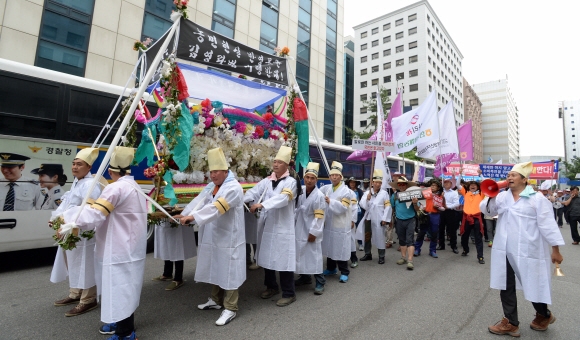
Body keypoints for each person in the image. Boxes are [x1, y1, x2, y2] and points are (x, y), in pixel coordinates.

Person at [61, 147, 147, 340]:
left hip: (117, 248)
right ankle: (120, 322)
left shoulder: (116, 188)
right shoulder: (134, 186)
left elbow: (95, 214)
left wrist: (66, 218)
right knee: (122, 288)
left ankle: (126, 334)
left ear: (110, 170)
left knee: (119, 289)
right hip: (128, 247)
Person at [482, 162, 564, 336]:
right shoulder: (503, 196)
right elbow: (488, 210)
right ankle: (511, 322)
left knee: (532, 283)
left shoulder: (537, 198)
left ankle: (544, 315)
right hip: (504, 249)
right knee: (506, 284)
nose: (509, 177)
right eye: (508, 175)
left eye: (513, 175)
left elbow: (548, 225)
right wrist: (491, 194)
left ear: (524, 179)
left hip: (529, 251)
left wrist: (555, 250)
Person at [178, 147, 245, 326]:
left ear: (225, 171)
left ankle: (230, 307)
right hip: (215, 235)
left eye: (216, 171)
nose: (213, 174)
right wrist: (184, 213)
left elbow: (216, 208)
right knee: (216, 265)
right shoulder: (213, 186)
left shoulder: (233, 188)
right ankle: (216, 300)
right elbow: (199, 202)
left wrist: (192, 217)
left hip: (230, 237)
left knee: (229, 270)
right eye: (211, 171)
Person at [243, 146, 298, 307]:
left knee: (283, 259)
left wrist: (262, 205)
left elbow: (282, 199)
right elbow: (253, 192)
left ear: (286, 165)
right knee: (266, 257)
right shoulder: (267, 181)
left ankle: (289, 293)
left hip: (282, 228)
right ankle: (271, 286)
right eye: (274, 161)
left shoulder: (291, 182)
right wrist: (244, 200)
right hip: (267, 227)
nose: (275, 164)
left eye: (279, 162)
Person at [50, 148, 101, 317]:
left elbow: (89, 209)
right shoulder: (77, 182)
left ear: (88, 167)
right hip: (70, 230)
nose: (74, 167)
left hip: (83, 231)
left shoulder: (90, 184)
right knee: (73, 261)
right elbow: (67, 204)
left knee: (85, 263)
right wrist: (57, 217)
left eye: (79, 164)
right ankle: (75, 293)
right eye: (73, 163)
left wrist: (67, 219)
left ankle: (89, 299)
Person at [321, 161, 357, 283]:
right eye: (332, 175)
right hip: (329, 223)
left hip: (341, 224)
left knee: (340, 248)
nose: (334, 177)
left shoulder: (346, 191)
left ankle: (344, 271)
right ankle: (331, 268)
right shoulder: (326, 188)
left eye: (337, 175)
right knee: (330, 246)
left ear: (341, 177)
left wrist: (330, 201)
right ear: (329, 177)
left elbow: (343, 208)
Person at [294, 162, 327, 294]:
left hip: (312, 229)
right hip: (300, 227)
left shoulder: (319, 196)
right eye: (307, 177)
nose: (309, 180)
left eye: (312, 178)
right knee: (301, 253)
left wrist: (314, 232)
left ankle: (320, 281)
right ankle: (305, 277)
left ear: (316, 180)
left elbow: (319, 216)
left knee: (314, 256)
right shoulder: (300, 191)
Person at [151, 217, 197, 290]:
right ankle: (167, 273)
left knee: (177, 247)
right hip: (165, 220)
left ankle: (178, 279)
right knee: (166, 245)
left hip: (177, 220)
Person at [357, 169, 391, 264]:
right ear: (372, 182)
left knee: (380, 236)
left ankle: (381, 256)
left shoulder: (384, 193)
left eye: (379, 183)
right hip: (369, 217)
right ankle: (368, 253)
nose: (378, 184)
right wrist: (367, 200)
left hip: (379, 218)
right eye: (376, 182)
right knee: (367, 236)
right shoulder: (367, 193)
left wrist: (385, 218)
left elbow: (388, 206)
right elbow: (362, 205)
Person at [389, 177, 419, 270]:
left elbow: (417, 209)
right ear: (398, 186)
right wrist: (391, 220)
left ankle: (410, 260)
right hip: (399, 220)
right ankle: (403, 257)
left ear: (406, 185)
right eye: (399, 184)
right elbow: (392, 208)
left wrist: (414, 203)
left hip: (410, 220)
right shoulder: (394, 196)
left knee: (410, 240)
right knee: (401, 240)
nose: (401, 186)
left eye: (403, 184)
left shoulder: (412, 195)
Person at [457, 170, 486, 264]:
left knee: (478, 238)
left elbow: (485, 183)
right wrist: (460, 174)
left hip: (477, 218)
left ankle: (480, 257)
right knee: (464, 236)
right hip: (466, 218)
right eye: (471, 185)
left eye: (475, 185)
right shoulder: (465, 193)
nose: (472, 186)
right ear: (468, 187)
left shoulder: (481, 194)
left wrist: (480, 174)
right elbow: (458, 185)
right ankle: (465, 250)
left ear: (477, 187)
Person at [414, 179, 445, 258]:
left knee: (434, 234)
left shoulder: (440, 196)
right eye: (431, 185)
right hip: (425, 214)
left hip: (435, 215)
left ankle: (432, 250)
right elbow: (420, 203)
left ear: (438, 187)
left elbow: (444, 208)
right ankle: (417, 249)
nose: (433, 187)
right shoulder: (425, 194)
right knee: (421, 233)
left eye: (434, 185)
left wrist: (437, 207)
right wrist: (421, 207)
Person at [438, 178, 460, 253]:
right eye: (445, 183)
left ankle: (454, 246)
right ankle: (441, 245)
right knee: (441, 229)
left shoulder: (454, 192)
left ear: (451, 184)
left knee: (452, 230)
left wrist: (448, 207)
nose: (446, 184)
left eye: (448, 183)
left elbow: (457, 203)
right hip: (441, 212)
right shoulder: (440, 192)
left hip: (450, 211)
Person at [345, 176, 363, 267]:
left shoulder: (355, 192)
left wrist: (352, 220)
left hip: (354, 214)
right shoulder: (343, 190)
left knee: (353, 235)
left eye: (353, 182)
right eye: (350, 182)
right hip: (341, 219)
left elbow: (356, 206)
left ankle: (354, 258)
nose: (352, 184)